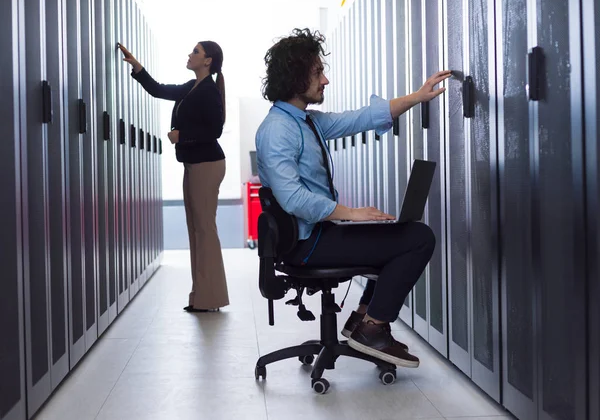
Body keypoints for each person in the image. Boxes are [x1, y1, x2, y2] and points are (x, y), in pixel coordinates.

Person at [255, 28, 450, 368]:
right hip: (307, 244)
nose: (325, 80)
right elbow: (292, 198)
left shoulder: (304, 122)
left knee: (397, 234)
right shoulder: (277, 130)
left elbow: (357, 119)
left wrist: (416, 98)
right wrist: (350, 213)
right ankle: (372, 327)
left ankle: (363, 320)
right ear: (296, 77)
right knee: (417, 239)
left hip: (316, 234)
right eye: (318, 72)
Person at [118, 41, 229, 313]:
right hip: (193, 163)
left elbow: (215, 129)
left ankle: (211, 298)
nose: (190, 55)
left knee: (204, 231)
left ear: (208, 61)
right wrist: (137, 66)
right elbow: (158, 90)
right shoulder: (191, 87)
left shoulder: (209, 91)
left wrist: (182, 135)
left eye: (195, 52)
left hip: (207, 164)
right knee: (196, 231)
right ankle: (200, 296)